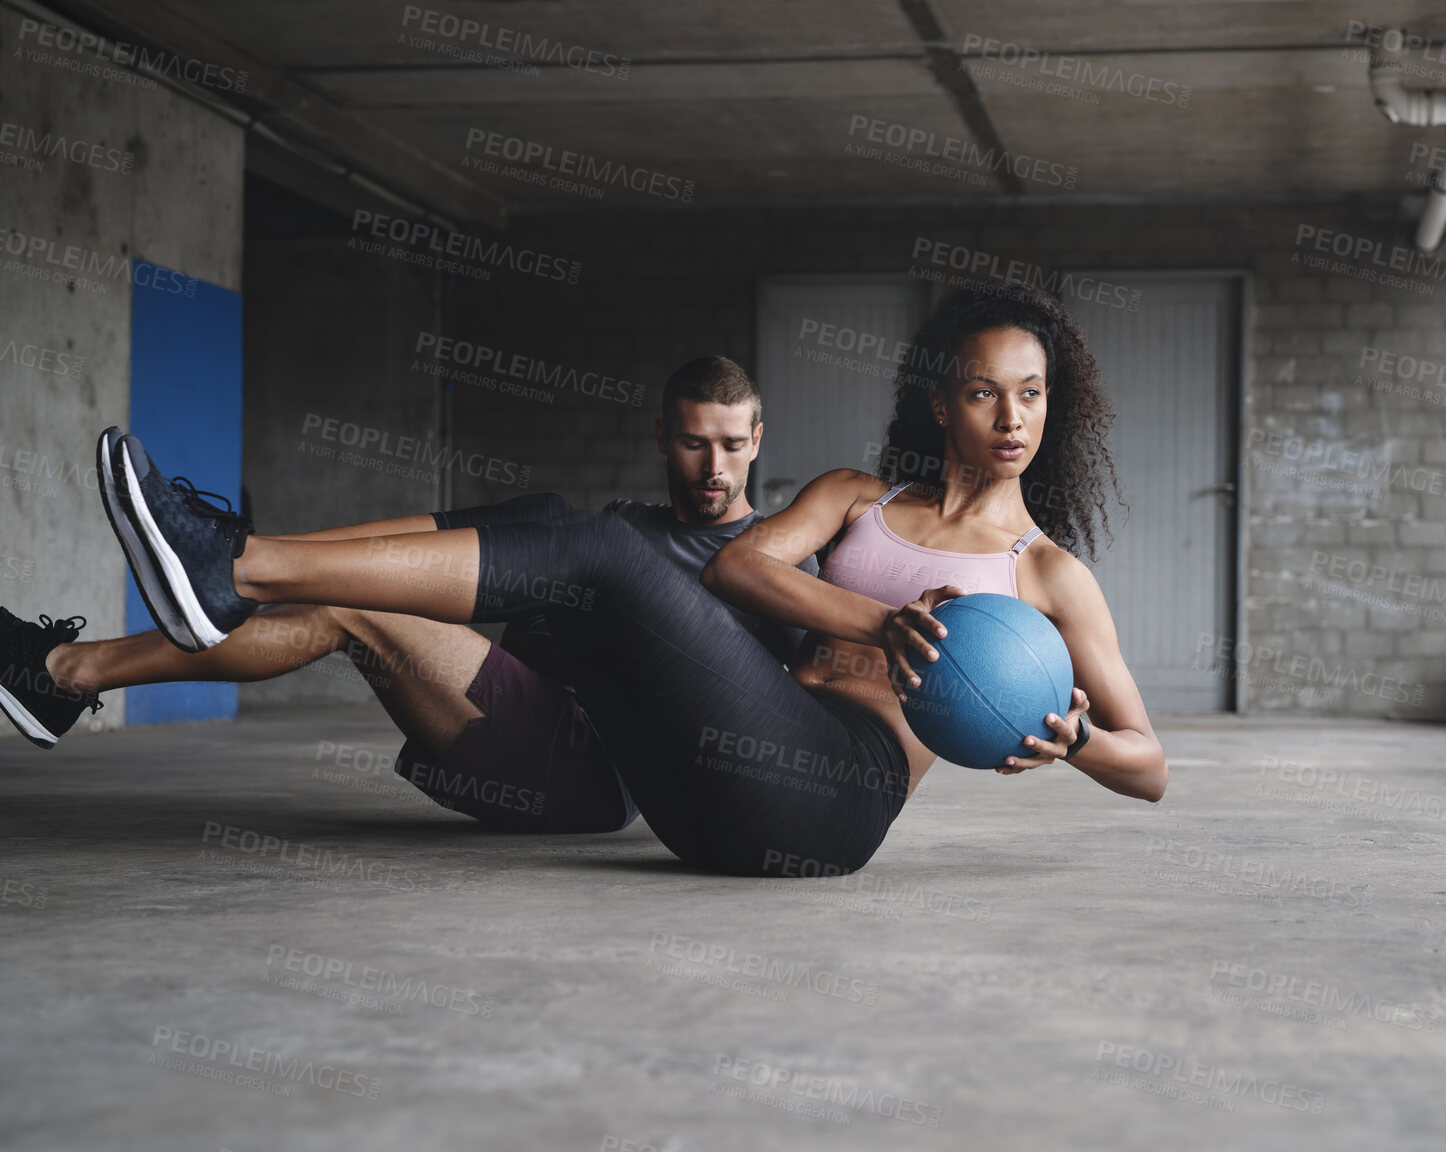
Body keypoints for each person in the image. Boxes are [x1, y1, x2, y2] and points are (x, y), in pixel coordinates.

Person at [77, 283, 1168, 877]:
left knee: (600, 552)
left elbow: (1150, 764)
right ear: (942, 403)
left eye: (1029, 394)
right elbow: (742, 566)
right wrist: (882, 620)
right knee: (561, 538)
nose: (1011, 417)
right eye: (985, 392)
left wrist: (1076, 744)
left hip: (835, 801)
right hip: (706, 790)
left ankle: (237, 562)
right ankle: (228, 575)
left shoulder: (1046, 573)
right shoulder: (854, 498)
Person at [0, 355, 818, 837]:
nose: (715, 466)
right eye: (694, 442)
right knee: (539, 520)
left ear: (758, 442)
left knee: (348, 610)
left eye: (732, 445)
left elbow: (794, 721)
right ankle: (232, 559)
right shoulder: (620, 525)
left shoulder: (771, 563)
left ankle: (80, 663)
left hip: (593, 770)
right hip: (514, 720)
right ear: (661, 438)